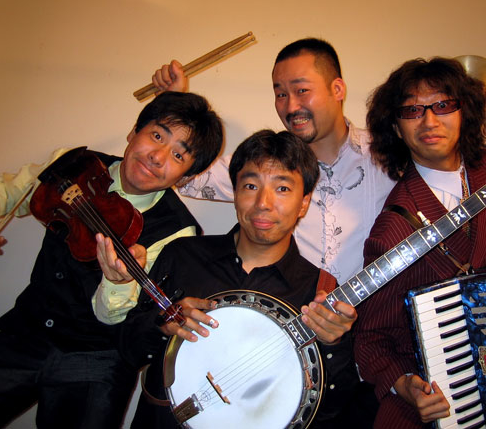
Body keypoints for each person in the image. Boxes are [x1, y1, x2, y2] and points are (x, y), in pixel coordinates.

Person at [150, 38, 486, 427]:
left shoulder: (388, 154)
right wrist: (176, 109)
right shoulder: (273, 168)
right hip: (290, 358)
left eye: (301, 90)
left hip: (378, 353)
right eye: (280, 93)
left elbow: (448, 173)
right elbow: (190, 175)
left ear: (338, 89)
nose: (290, 106)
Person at [0, 91, 223, 429]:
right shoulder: (76, 163)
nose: (157, 157)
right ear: (133, 132)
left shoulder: (178, 231)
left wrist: (119, 282)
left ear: (185, 177)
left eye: (178, 155)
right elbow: (12, 191)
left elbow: (116, 319)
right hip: (26, 332)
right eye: (157, 136)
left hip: (96, 360)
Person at [95, 130, 358, 428]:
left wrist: (333, 344)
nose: (263, 203)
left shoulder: (320, 291)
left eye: (283, 188)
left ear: (304, 203)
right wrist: (163, 325)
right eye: (250, 185)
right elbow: (127, 350)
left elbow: (333, 409)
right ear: (235, 193)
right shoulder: (183, 256)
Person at [353, 57, 486, 428]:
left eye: (442, 105)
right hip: (436, 396)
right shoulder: (393, 229)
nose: (429, 121)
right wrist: (405, 385)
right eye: (412, 110)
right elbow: (371, 339)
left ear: (463, 112)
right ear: (396, 127)